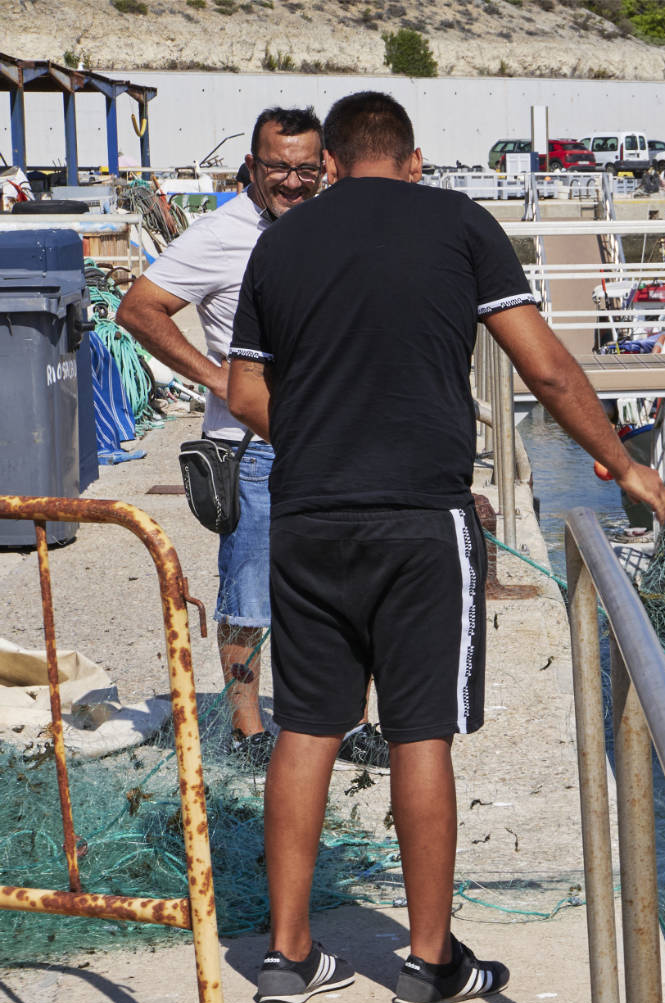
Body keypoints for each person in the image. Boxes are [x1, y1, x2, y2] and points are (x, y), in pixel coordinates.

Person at [226, 92, 665, 1003]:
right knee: (418, 730)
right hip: (423, 519)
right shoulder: (461, 222)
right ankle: (429, 963)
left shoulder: (281, 241)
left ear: (337, 162)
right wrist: (619, 461)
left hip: (308, 515)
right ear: (415, 160)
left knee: (307, 725)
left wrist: (317, 445)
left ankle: (287, 955)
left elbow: (242, 391)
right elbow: (543, 365)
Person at [121, 108, 390, 772]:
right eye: (279, 168)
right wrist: (219, 380)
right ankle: (247, 730)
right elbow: (138, 309)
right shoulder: (221, 234)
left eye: (306, 168)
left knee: (350, 586)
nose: (294, 182)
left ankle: (354, 723)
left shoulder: (336, 226)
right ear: (252, 166)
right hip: (252, 449)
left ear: (326, 166)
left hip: (337, 441)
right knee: (248, 592)